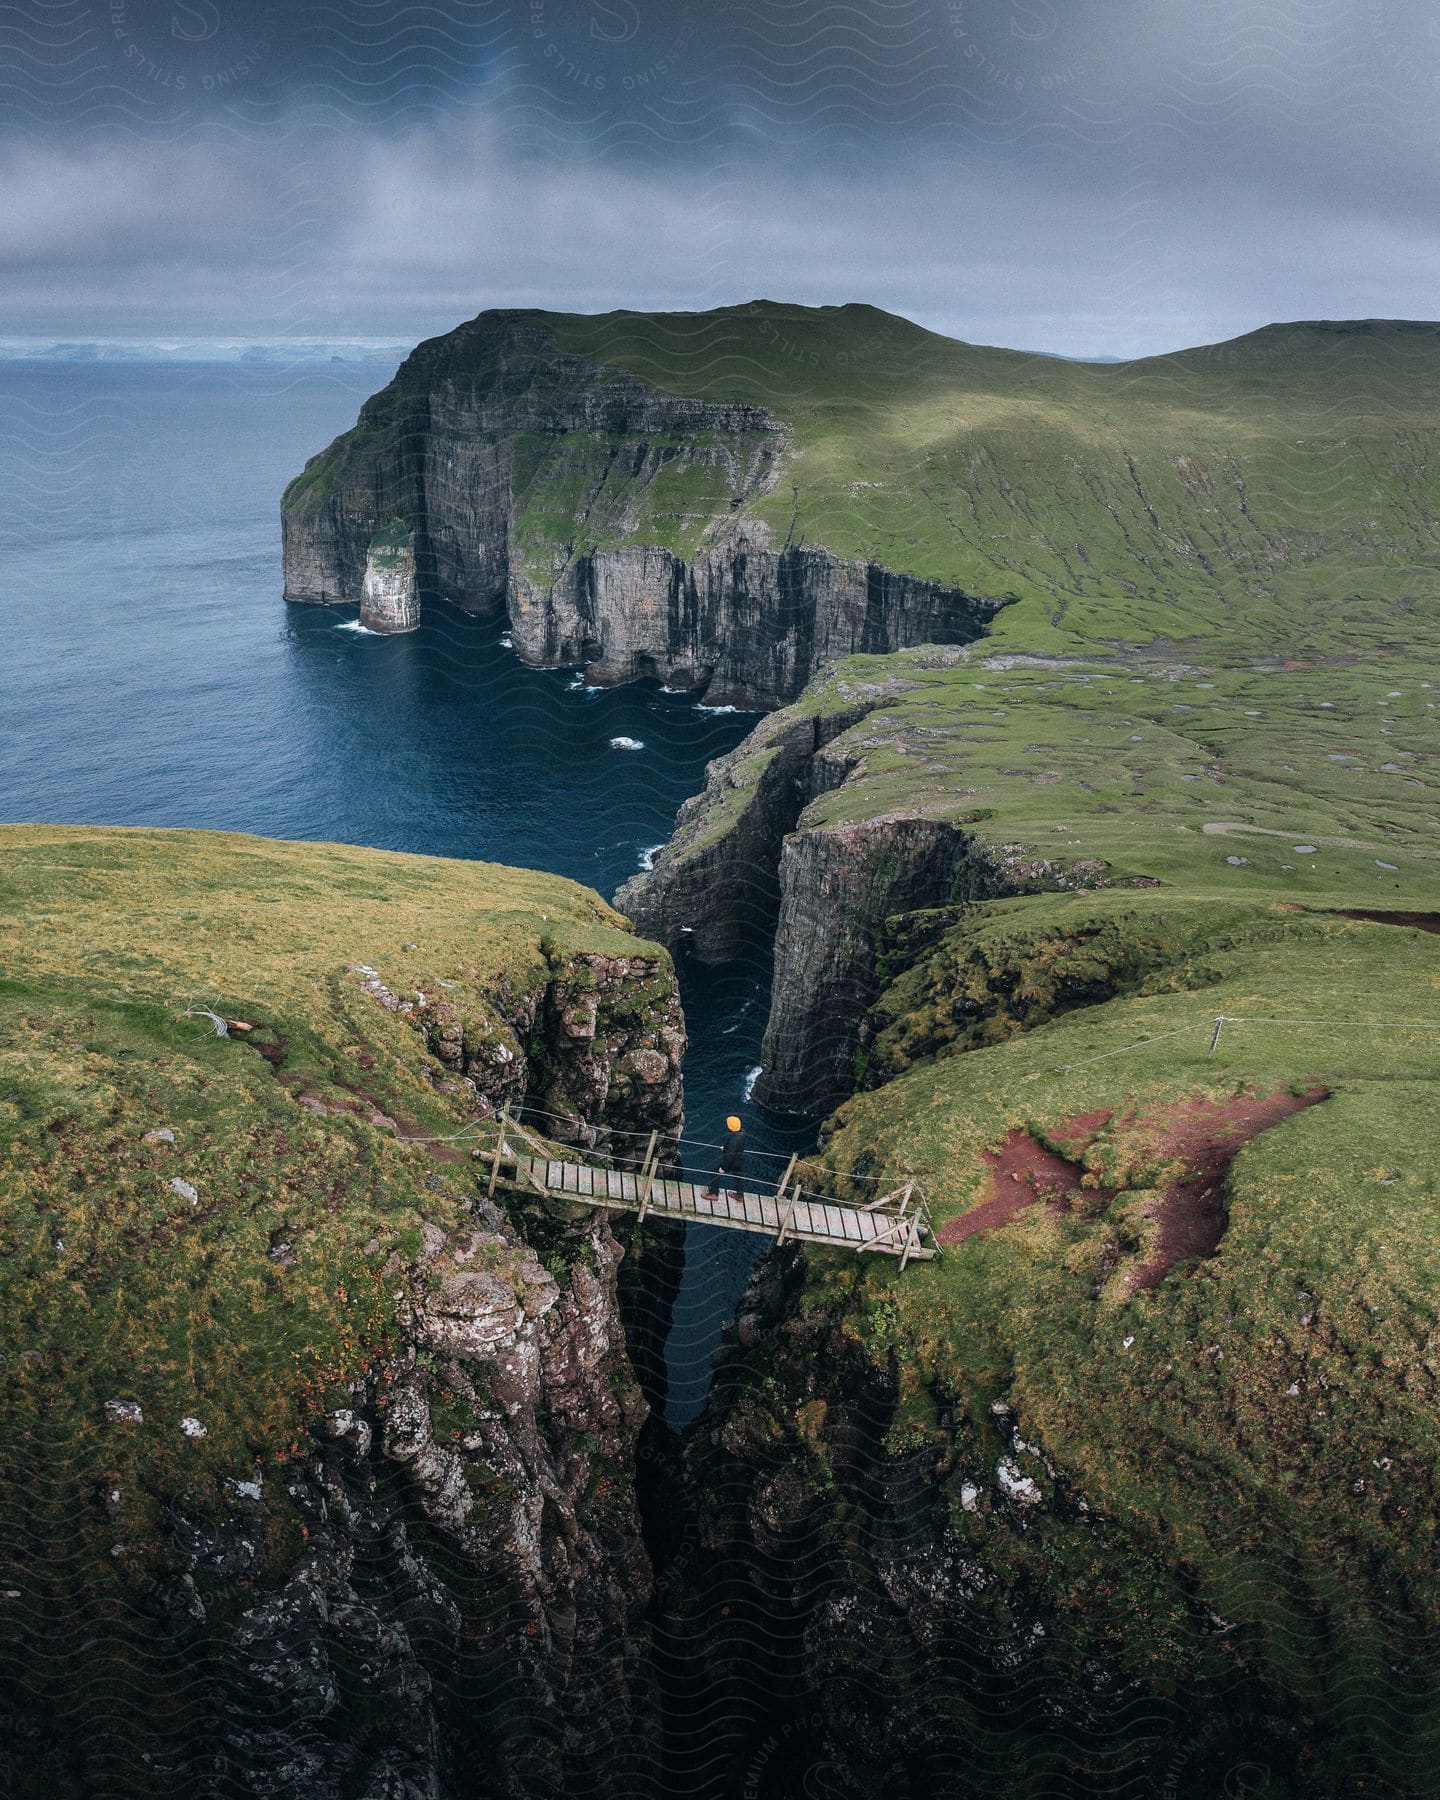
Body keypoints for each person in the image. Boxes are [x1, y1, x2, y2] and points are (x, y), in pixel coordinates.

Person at [704, 1114, 746, 1202]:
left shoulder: (733, 1140)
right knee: (739, 1177)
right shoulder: (742, 1132)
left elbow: (729, 1157)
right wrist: (726, 1147)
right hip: (739, 1160)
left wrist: (723, 1168)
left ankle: (714, 1194)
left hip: (732, 1162)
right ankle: (740, 1195)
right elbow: (737, 1147)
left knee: (715, 1172)